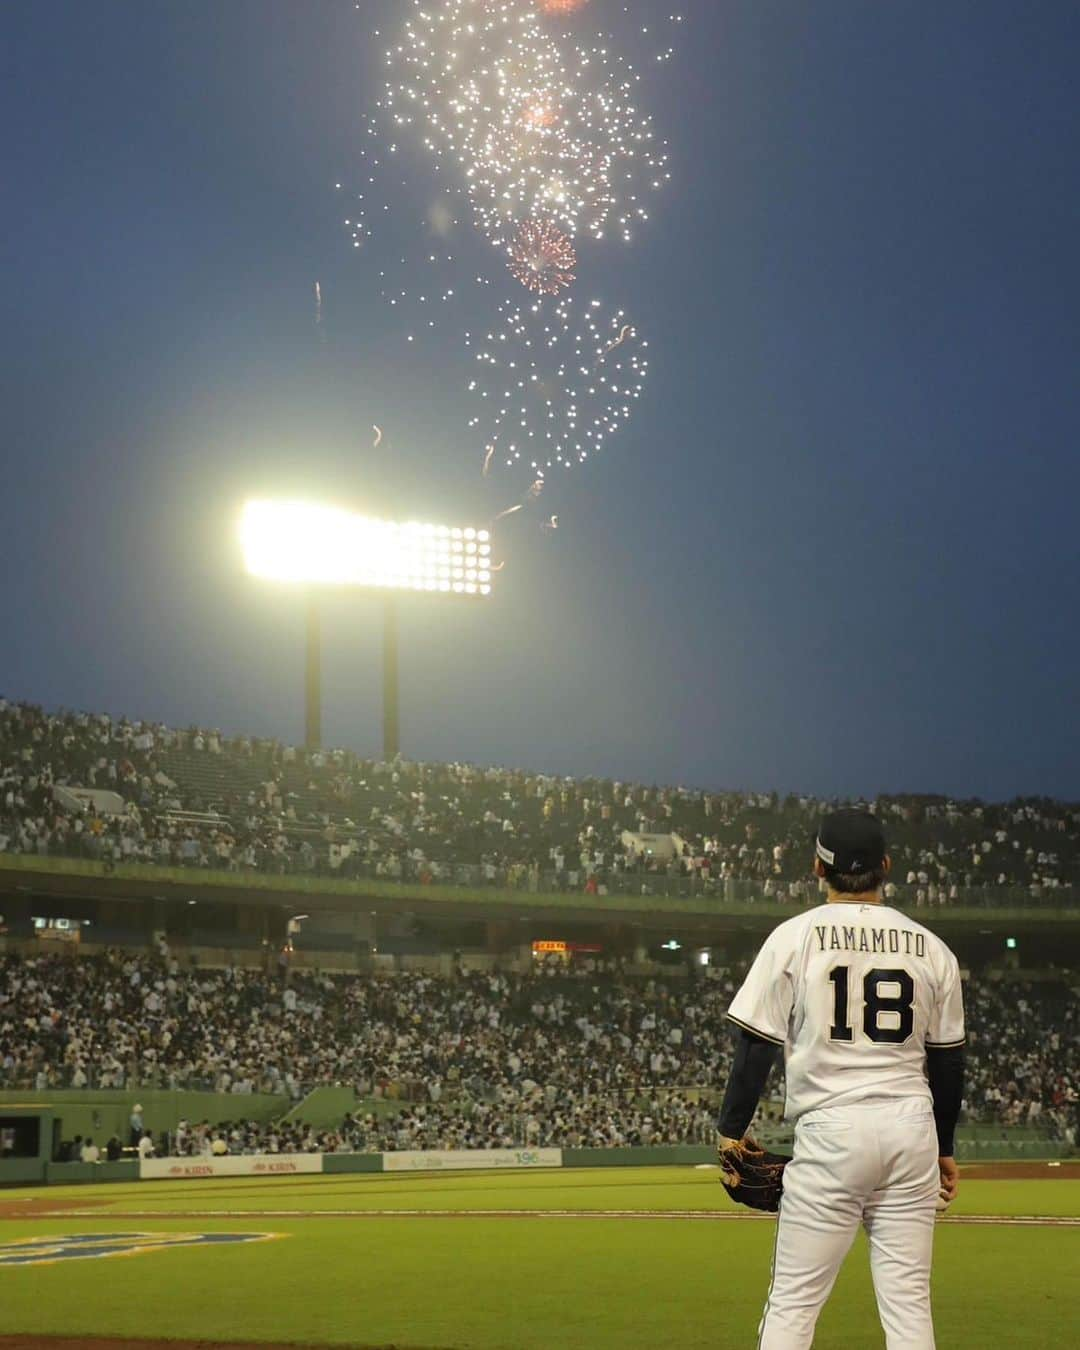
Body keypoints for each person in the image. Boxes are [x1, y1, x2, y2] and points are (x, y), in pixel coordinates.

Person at [717, 809, 965, 1349]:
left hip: (831, 1131)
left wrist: (730, 1130)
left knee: (793, 1304)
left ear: (817, 868)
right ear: (886, 867)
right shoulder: (933, 949)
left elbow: (757, 1043)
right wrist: (944, 1147)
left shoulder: (793, 937)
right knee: (908, 1308)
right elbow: (948, 1063)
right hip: (911, 1130)